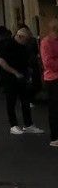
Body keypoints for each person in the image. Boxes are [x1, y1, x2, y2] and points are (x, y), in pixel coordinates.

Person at [0, 24, 39, 135]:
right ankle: (13, 125)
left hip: (22, 76)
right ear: (19, 36)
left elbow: (25, 60)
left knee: (25, 101)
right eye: (26, 39)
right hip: (9, 77)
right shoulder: (7, 44)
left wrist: (27, 71)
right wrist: (14, 72)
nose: (27, 42)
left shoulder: (24, 46)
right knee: (11, 101)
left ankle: (28, 124)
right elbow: (1, 61)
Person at [42, 20, 58, 149]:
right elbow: (49, 63)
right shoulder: (46, 42)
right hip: (53, 79)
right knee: (55, 109)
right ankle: (55, 137)